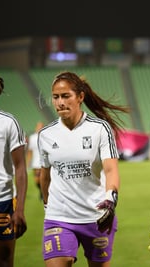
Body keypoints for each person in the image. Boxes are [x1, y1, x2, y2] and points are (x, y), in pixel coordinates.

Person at [38, 71, 129, 267]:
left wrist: (111, 199)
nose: (60, 102)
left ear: (80, 97)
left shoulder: (100, 129)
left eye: (65, 96)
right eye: (56, 97)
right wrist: (48, 206)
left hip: (96, 217)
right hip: (58, 217)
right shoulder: (46, 134)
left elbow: (111, 169)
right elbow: (45, 176)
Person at [0, 75, 28, 267]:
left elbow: (21, 168)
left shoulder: (8, 122)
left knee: (4, 262)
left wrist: (20, 209)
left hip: (3, 202)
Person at [26, 121, 44, 200]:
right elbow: (30, 150)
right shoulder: (32, 137)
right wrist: (28, 161)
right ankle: (41, 190)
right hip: (35, 162)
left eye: (41, 126)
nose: (40, 128)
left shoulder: (46, 136)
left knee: (42, 177)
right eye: (39, 126)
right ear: (36, 127)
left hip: (44, 161)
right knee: (37, 179)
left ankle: (43, 192)